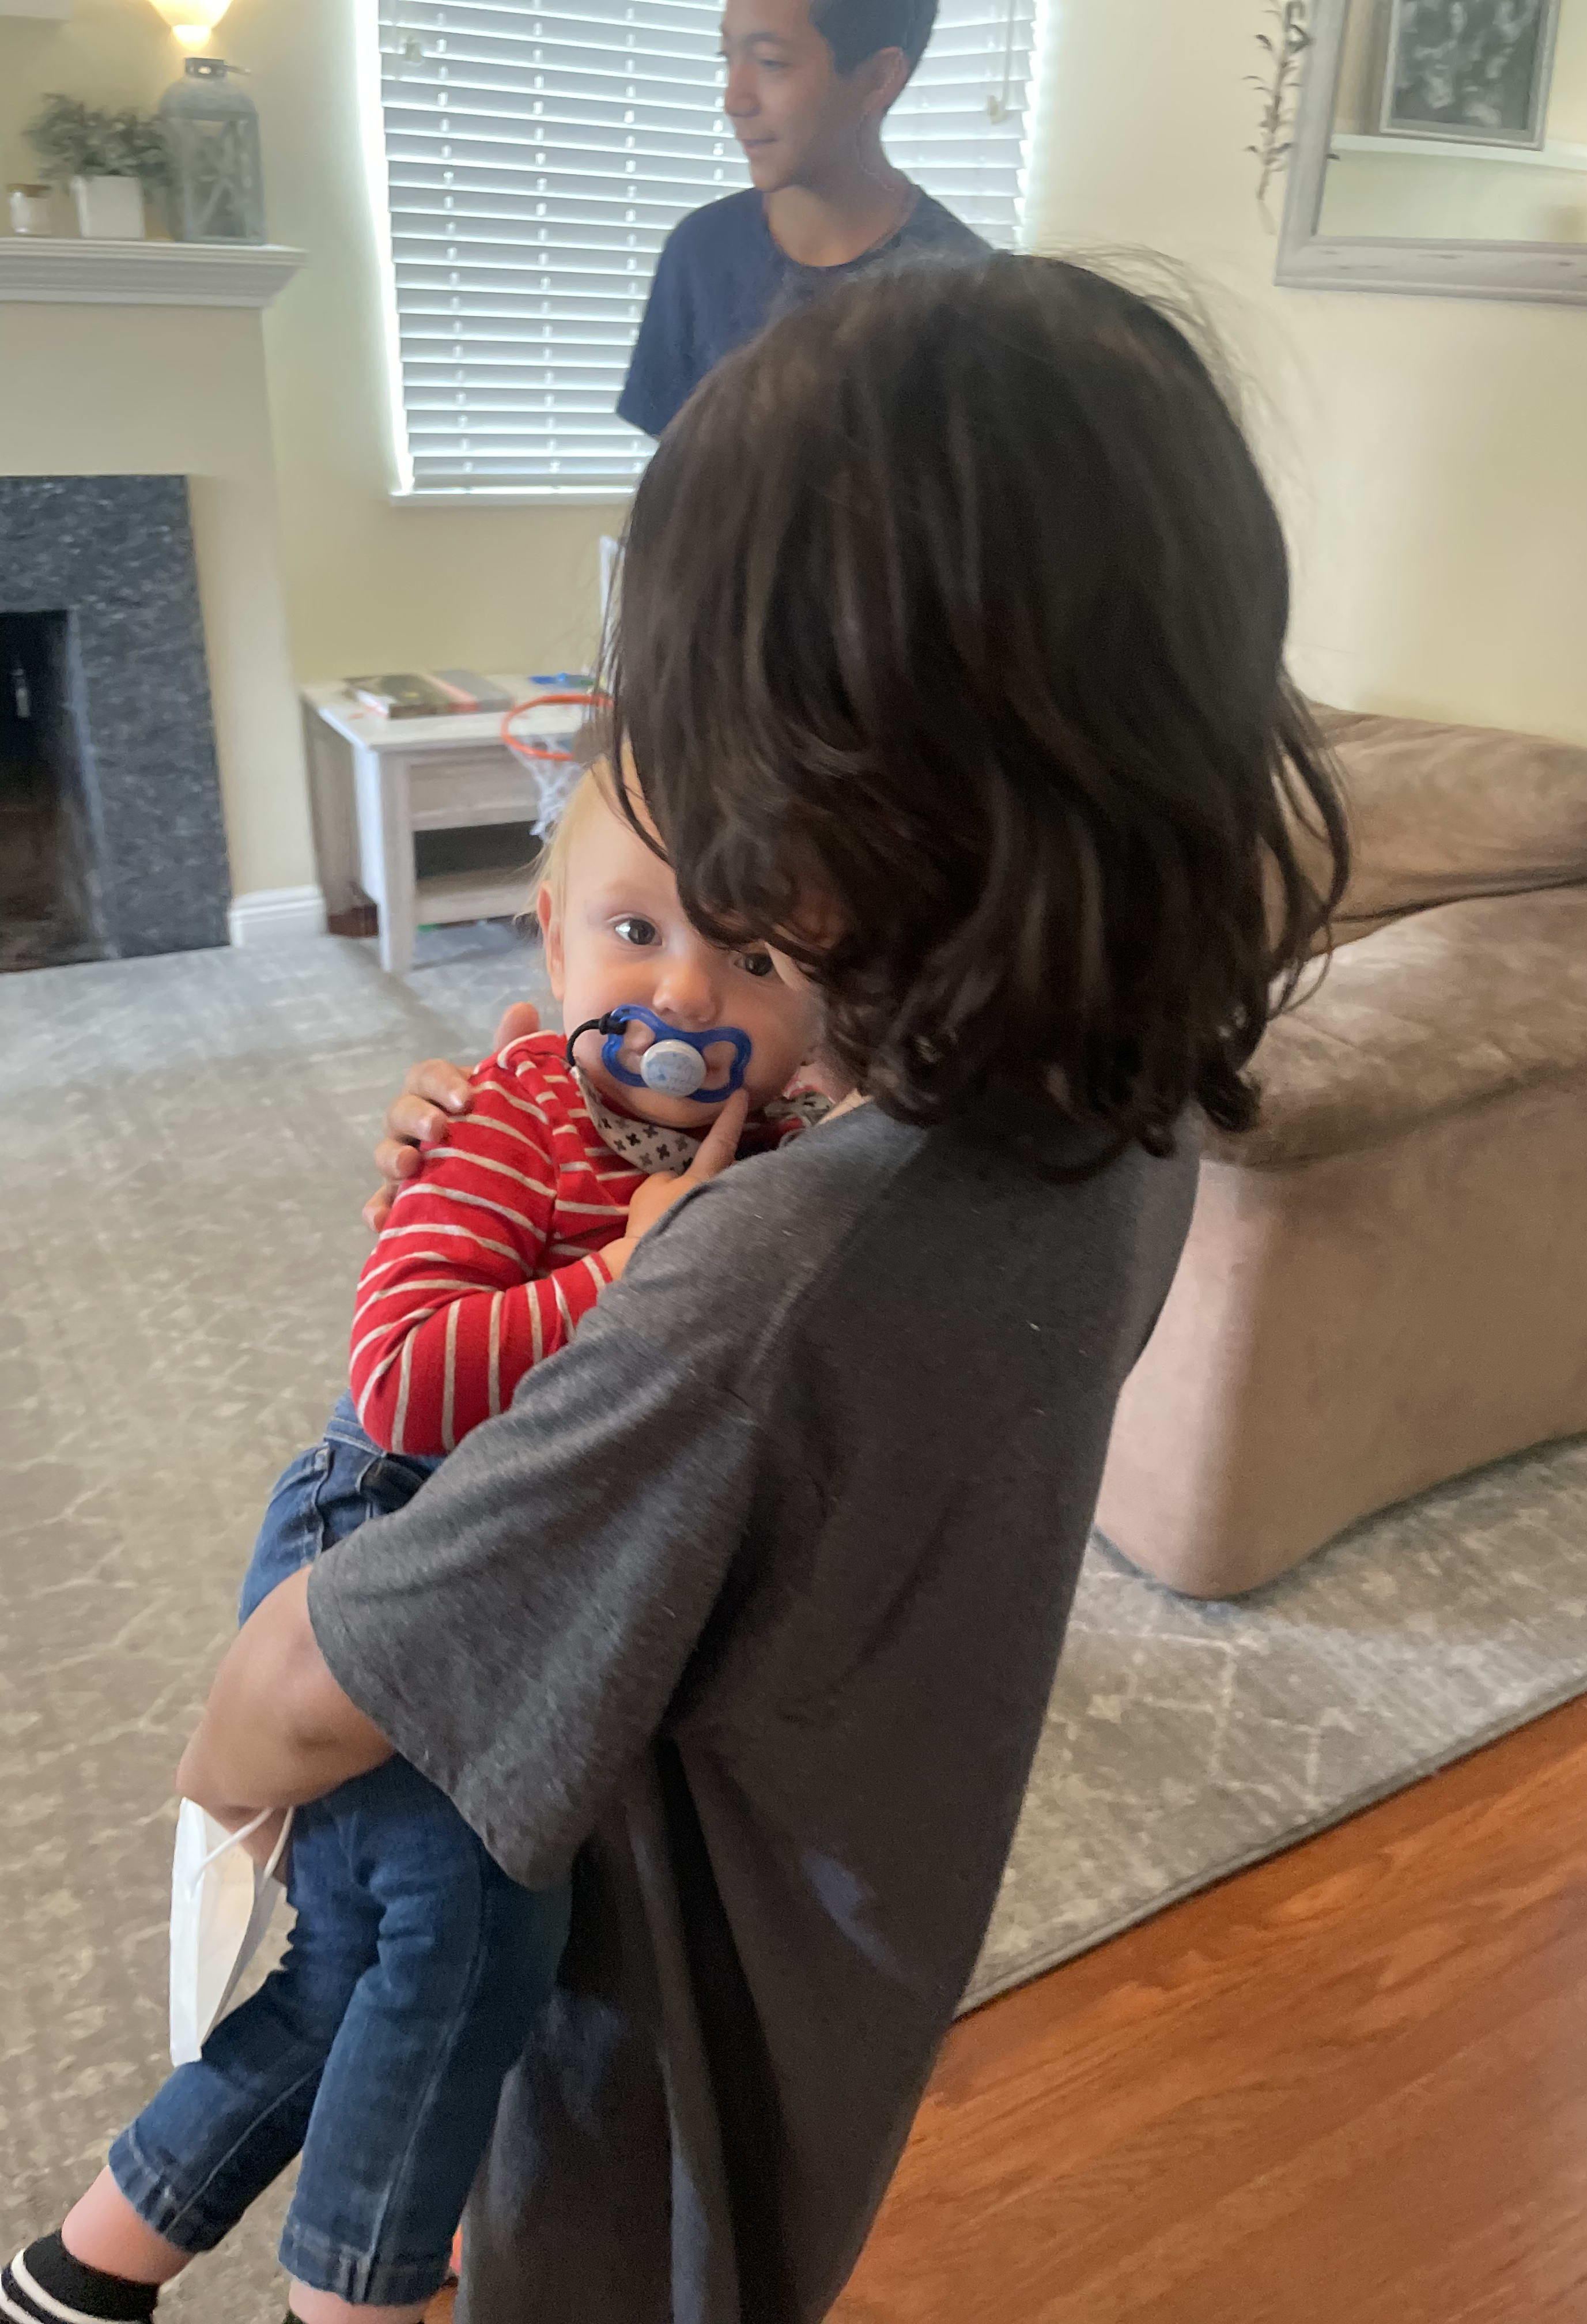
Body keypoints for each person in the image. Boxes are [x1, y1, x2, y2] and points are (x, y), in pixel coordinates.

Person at [12, 253, 1347, 2324]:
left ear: (865, 777)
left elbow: (292, 1694)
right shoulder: (1134, 1108)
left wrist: (228, 1766)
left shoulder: (757, 1292)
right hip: (852, 1952)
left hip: (643, 2103)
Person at [2, 778, 823, 2324]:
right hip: (399, 1538)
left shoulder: (790, 1147)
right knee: (474, 1923)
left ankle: (77, 2276)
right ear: (553, 941)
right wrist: (626, 1273)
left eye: (760, 959)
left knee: (350, 1966)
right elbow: (401, 1378)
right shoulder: (516, 1115)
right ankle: (354, 2298)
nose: (684, 995)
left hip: (549, 1574)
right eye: (635, 930)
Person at [617, 0, 987, 439]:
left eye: (770, 62)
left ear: (877, 78)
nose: (734, 101)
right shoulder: (701, 251)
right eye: (727, 57)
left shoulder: (969, 297)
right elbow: (677, 462)